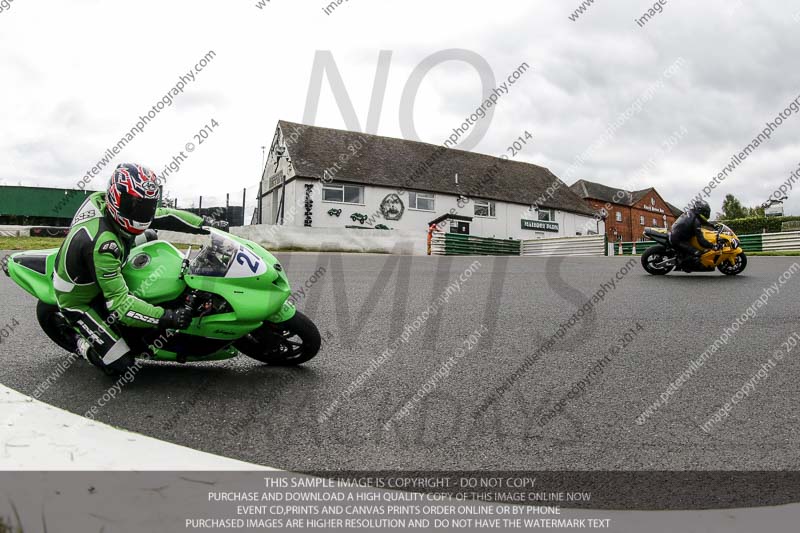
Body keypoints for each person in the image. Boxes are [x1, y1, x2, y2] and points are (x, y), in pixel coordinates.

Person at [54, 163, 208, 373]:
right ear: (115, 198)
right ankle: (81, 345)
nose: (141, 212)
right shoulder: (103, 244)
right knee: (122, 366)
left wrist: (206, 224)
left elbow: (165, 214)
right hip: (78, 299)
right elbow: (120, 306)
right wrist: (168, 317)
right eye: (133, 204)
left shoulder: (116, 206)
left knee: (151, 234)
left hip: (111, 250)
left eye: (146, 206)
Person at [669, 200, 720, 268]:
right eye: (706, 211)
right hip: (678, 240)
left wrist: (712, 225)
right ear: (701, 211)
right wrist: (712, 246)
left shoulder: (692, 213)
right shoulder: (696, 222)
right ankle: (684, 265)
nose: (707, 213)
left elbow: (702, 221)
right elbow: (701, 241)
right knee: (697, 253)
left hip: (677, 234)